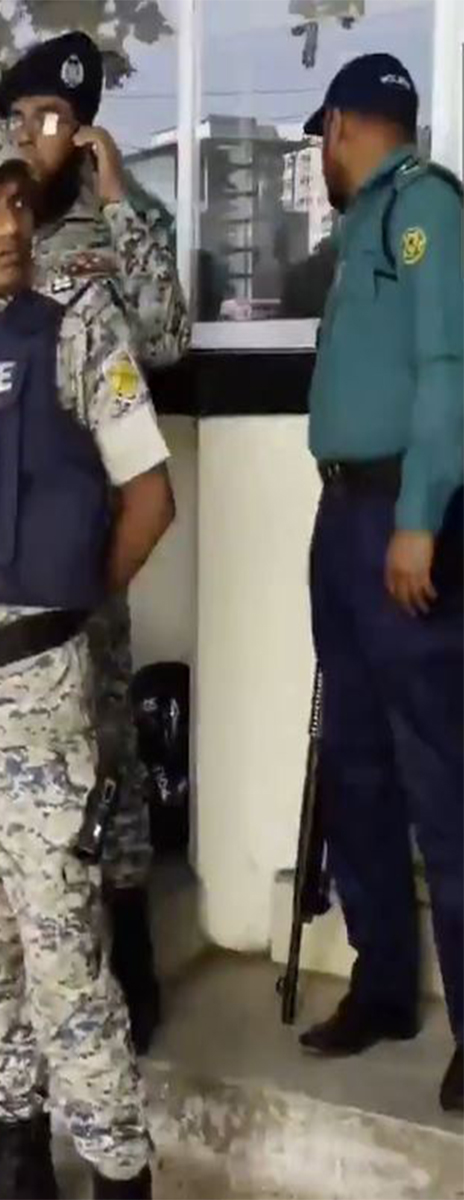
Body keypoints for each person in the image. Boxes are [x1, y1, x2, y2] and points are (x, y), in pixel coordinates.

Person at [0, 121, 175, 1199]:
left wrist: (70, 612)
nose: (9, 224)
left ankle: (117, 1172)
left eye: (17, 203)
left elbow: (150, 498)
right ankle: (15, 1152)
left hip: (30, 696)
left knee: (63, 956)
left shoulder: (76, 332)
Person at [0, 29, 192, 1052]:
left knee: (104, 737)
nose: (37, 134)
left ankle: (131, 944)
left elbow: (166, 337)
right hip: (5, 530)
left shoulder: (116, 224)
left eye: (56, 119)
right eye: (24, 116)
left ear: (83, 134)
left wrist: (120, 201)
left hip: (93, 527)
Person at [294, 53, 462, 1114]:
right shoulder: (360, 232)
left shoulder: (425, 210)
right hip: (344, 518)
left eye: (323, 136)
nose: (321, 154)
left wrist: (419, 518)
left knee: (440, 773)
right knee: (355, 762)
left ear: (344, 128)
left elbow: (451, 370)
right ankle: (385, 986)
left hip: (405, 519)